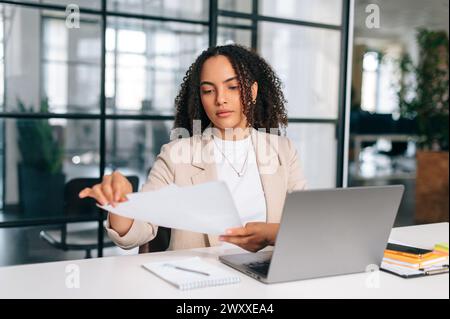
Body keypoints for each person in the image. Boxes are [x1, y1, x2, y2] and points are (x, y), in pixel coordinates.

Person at [79, 44, 306, 253]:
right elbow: (139, 230)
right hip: (199, 285)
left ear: (253, 92)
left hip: (266, 280)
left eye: (233, 87)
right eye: (208, 91)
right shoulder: (177, 155)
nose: (221, 99)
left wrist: (271, 234)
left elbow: (306, 224)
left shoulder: (283, 151)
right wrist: (122, 205)